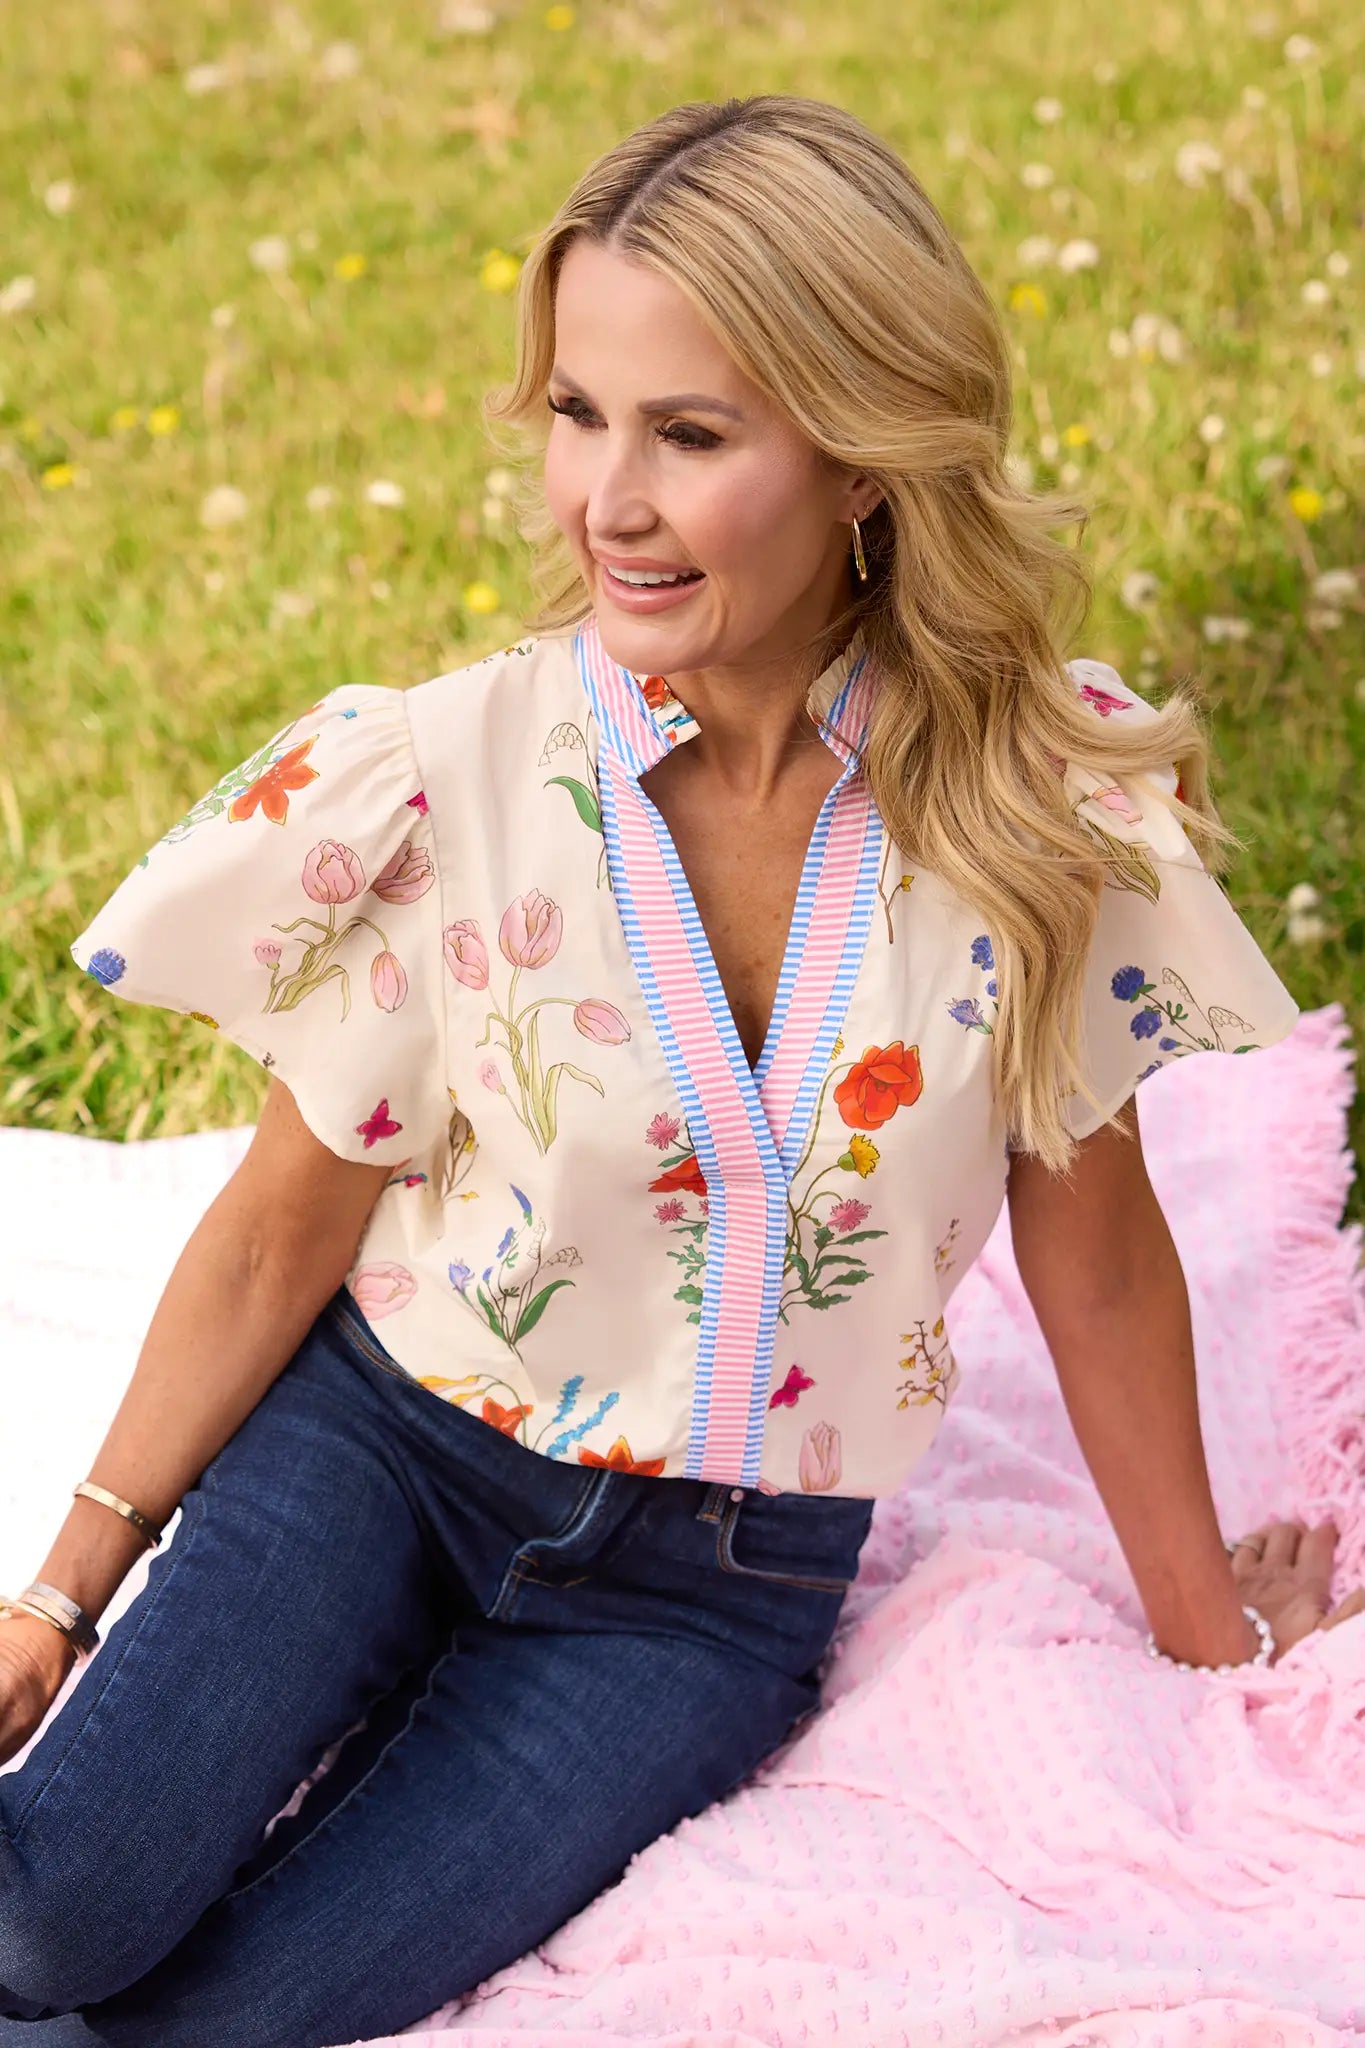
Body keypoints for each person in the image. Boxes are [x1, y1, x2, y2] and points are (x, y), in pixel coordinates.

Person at [2, 92, 1360, 2047]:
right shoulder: (455, 775)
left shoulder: (1029, 812)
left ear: (863, 458)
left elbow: (1093, 1247)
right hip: (381, 1447)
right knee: (53, 1926)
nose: (601, 502)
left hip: (700, 1599)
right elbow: (273, 1224)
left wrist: (1202, 1627)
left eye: (689, 435)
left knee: (224, 2018)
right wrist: (53, 1597)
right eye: (574, 412)